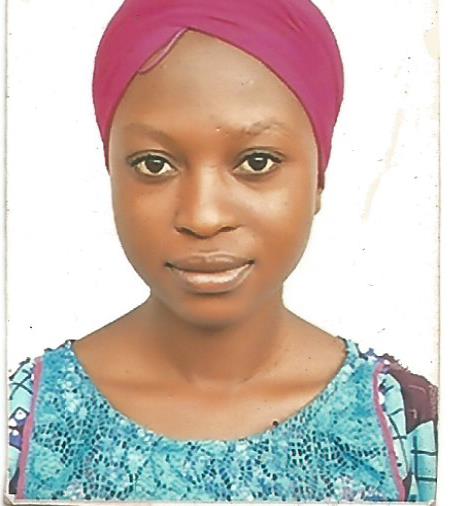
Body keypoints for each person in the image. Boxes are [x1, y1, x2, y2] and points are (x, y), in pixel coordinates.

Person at [7, 0, 437, 502]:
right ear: (111, 173)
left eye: (257, 162)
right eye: (153, 164)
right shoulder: (22, 422)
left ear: (319, 179)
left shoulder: (410, 429)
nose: (203, 216)